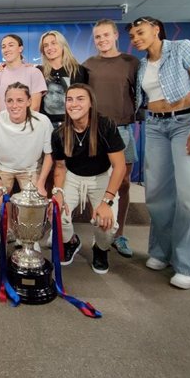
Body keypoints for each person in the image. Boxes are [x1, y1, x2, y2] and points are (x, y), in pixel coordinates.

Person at [127, 17, 190, 290]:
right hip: (154, 125)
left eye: (140, 32)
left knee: (187, 196)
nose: (136, 38)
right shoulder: (142, 65)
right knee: (156, 195)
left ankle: (187, 264)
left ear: (156, 29)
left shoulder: (182, 48)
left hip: (185, 122)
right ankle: (161, 252)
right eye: (132, 36)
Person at [51, 84, 126, 274]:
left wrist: (107, 201)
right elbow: (60, 167)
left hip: (101, 178)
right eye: (70, 99)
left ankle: (100, 250)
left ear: (91, 102)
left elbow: (120, 167)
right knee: (56, 214)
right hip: (72, 177)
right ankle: (71, 242)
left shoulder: (105, 125)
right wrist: (58, 192)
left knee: (107, 225)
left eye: (80, 99)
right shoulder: (59, 133)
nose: (74, 104)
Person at [83, 19, 140, 258]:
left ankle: (119, 234)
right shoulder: (88, 65)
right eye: (97, 37)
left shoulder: (132, 63)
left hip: (123, 130)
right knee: (96, 184)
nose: (102, 40)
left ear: (116, 35)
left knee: (123, 183)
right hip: (95, 131)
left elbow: (139, 94)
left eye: (106, 35)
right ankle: (101, 236)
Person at [0, 82, 53, 262]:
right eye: (10, 101)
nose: (14, 105)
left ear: (29, 101)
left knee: (32, 211)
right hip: (2, 168)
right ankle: (0, 238)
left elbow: (49, 155)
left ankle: (30, 239)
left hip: (30, 169)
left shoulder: (42, 121)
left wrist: (42, 182)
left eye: (20, 100)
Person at [38, 30, 88, 128]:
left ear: (62, 45)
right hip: (45, 126)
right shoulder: (38, 71)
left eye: (53, 43)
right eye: (45, 45)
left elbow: (85, 100)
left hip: (72, 126)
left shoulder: (78, 71)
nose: (49, 48)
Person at [0, 34, 47, 113]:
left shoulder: (34, 73)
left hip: (29, 123)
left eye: (11, 45)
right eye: (3, 47)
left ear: (20, 48)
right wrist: (3, 124)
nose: (6, 49)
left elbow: (35, 106)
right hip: (3, 124)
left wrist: (23, 124)